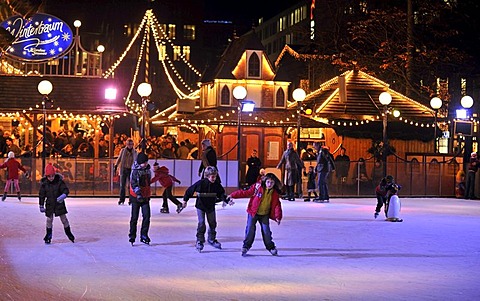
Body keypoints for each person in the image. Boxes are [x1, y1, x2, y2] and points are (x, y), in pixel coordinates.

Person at [227, 172, 283, 256]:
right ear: (265, 181)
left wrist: (278, 216)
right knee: (250, 229)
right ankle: (246, 246)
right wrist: (232, 195)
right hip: (253, 212)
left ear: (274, 183)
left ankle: (271, 247)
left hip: (264, 214)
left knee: (266, 231)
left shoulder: (274, 193)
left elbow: (277, 205)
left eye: (272, 182)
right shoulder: (258, 187)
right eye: (268, 182)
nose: (269, 184)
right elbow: (245, 192)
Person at [182, 166, 233, 252]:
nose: (214, 178)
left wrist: (227, 200)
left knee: (212, 223)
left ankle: (211, 239)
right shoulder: (201, 183)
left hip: (210, 206)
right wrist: (185, 200)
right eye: (212, 176)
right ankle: (200, 240)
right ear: (207, 176)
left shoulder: (216, 185)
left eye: (215, 176)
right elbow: (190, 190)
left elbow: (221, 194)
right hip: (200, 206)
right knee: (201, 223)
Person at [39, 163, 75, 244]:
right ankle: (48, 235)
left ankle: (68, 233)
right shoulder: (44, 184)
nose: (51, 178)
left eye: (52, 176)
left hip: (59, 203)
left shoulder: (59, 182)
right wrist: (41, 205)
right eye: (49, 176)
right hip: (50, 204)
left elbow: (65, 190)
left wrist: (63, 195)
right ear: (46, 176)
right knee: (49, 220)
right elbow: (42, 195)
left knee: (64, 219)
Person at [128, 152, 152, 245]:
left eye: (146, 162)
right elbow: (133, 183)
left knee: (147, 216)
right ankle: (132, 235)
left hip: (145, 197)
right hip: (136, 197)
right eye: (144, 162)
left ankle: (144, 235)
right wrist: (138, 194)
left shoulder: (148, 170)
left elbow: (148, 182)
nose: (146, 164)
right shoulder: (135, 171)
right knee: (134, 217)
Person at [114, 138, 138, 205]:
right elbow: (119, 158)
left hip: (131, 170)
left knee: (130, 185)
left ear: (132, 145)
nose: (129, 145)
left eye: (130, 144)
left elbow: (136, 161)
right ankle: (122, 199)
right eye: (128, 144)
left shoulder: (135, 152)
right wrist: (116, 165)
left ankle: (131, 199)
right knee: (122, 185)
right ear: (126, 144)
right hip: (124, 169)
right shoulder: (123, 151)